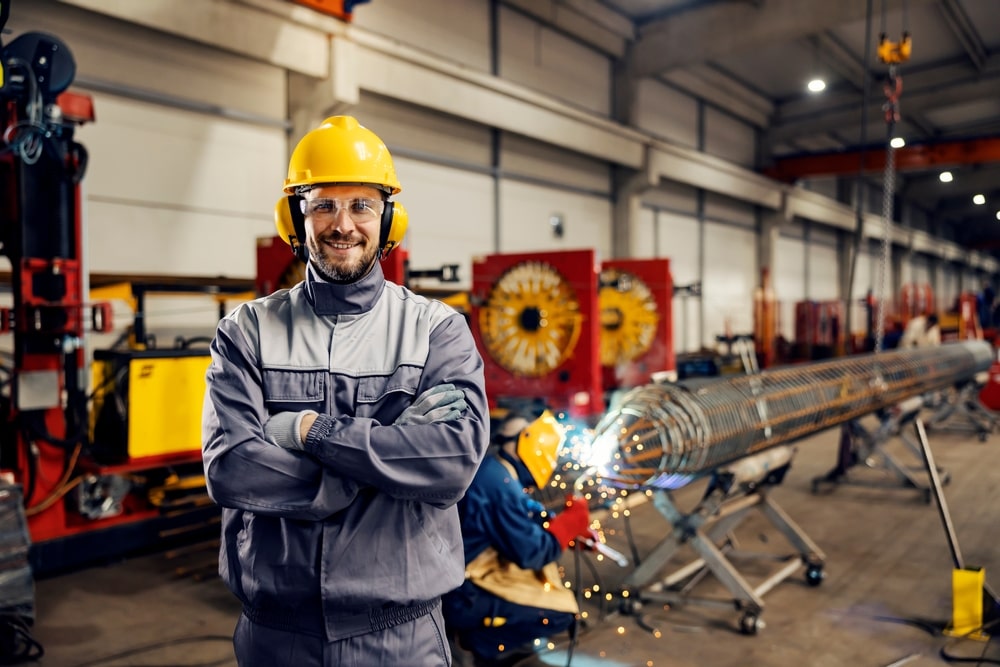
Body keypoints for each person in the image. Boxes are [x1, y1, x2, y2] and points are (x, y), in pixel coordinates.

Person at [202, 115, 489, 667]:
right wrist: (379, 462)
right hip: (278, 636)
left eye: (361, 205)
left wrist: (310, 432)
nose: (343, 224)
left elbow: (452, 460)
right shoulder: (246, 331)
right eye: (322, 205)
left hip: (400, 636)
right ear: (295, 217)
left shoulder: (436, 330)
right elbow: (233, 467)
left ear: (388, 217)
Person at [443, 410, 591, 667]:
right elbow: (532, 554)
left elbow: (525, 510)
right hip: (459, 595)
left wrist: (555, 522)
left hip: (455, 581)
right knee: (559, 613)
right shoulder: (498, 484)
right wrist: (566, 527)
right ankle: (475, 644)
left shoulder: (494, 470)